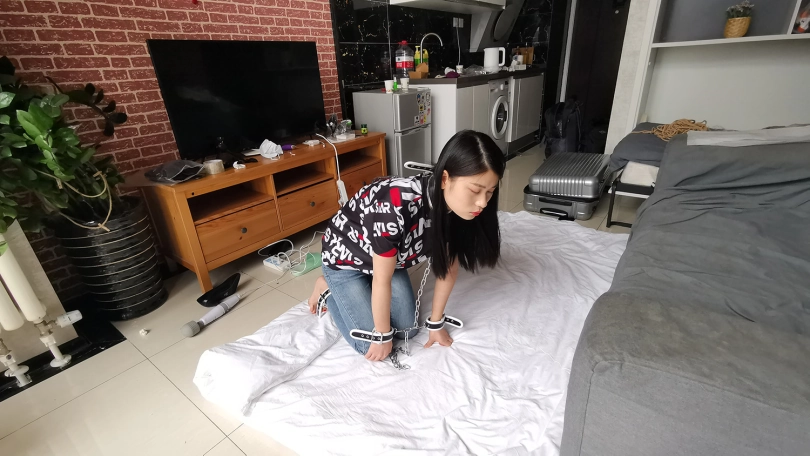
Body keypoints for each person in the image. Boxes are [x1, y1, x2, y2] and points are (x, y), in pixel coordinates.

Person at [308, 130, 506, 361]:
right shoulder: (395, 208)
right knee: (369, 344)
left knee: (408, 330)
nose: (482, 203)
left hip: (387, 261)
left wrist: (436, 323)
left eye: (490, 192)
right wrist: (382, 335)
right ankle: (326, 288)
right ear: (445, 179)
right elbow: (382, 280)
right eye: (475, 190)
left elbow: (448, 269)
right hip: (346, 261)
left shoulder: (461, 210)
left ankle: (363, 289)